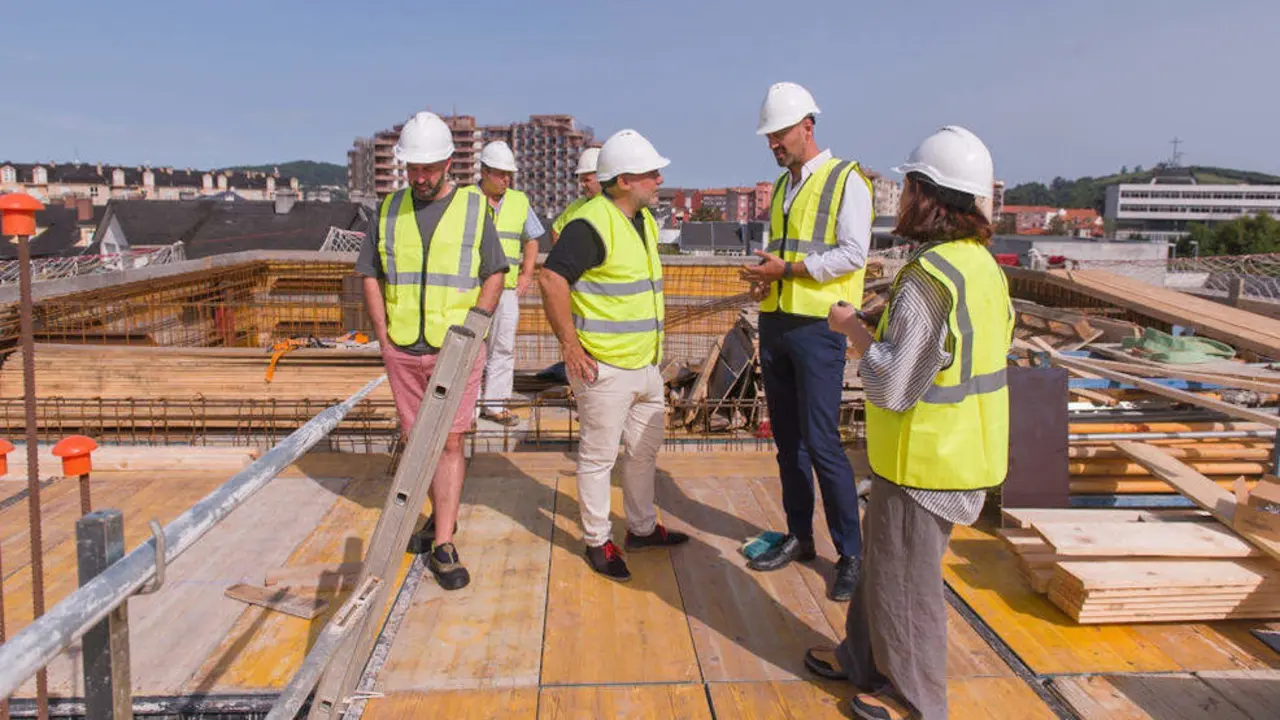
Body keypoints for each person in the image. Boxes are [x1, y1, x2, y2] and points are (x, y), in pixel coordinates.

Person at [804, 126, 1012, 720]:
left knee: (907, 585)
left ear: (929, 197)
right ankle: (860, 659)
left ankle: (917, 700)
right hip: (961, 451)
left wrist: (852, 329)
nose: (902, 198)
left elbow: (894, 386)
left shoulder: (929, 276)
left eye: (911, 187)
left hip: (926, 460)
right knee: (883, 565)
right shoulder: (981, 267)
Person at [354, 111, 507, 590]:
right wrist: (383, 336)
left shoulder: (474, 208)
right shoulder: (388, 210)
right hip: (402, 346)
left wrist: (474, 330)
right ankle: (437, 516)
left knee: (452, 440)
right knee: (416, 440)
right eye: (413, 169)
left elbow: (495, 273)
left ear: (447, 163)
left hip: (455, 350)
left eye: (428, 169)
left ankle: (443, 541)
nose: (419, 178)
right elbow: (370, 274)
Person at [738, 81, 874, 601]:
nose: (773, 143)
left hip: (819, 328)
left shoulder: (846, 180)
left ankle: (851, 554)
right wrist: (766, 278)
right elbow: (783, 251)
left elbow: (853, 253)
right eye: (768, 137)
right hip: (776, 323)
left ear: (808, 127)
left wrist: (789, 270)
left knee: (822, 442)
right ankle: (800, 536)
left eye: (780, 134)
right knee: (787, 442)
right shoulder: (781, 188)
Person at [538, 129, 689, 581]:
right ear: (624, 181)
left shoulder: (642, 221)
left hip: (645, 365)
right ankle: (596, 540)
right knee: (598, 458)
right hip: (604, 368)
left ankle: (641, 528)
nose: (660, 179)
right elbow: (551, 279)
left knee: (642, 453)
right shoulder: (590, 224)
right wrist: (570, 345)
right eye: (651, 173)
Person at [475, 141, 545, 426]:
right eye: (500, 173)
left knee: (502, 348)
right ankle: (467, 409)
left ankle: (495, 406)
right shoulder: (466, 198)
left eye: (509, 174)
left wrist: (527, 274)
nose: (506, 179)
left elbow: (532, 239)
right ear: (484, 172)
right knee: (471, 349)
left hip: (506, 289)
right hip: (473, 288)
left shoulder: (519, 201)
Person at [550, 147, 602, 244]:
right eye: (581, 180)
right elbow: (556, 231)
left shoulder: (617, 203)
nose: (582, 185)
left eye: (587, 180)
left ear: (602, 177)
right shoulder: (578, 205)